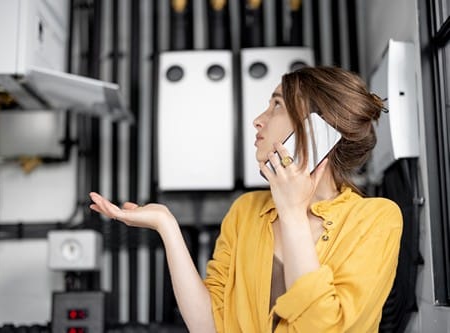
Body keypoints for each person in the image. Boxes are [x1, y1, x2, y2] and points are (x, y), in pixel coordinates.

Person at [89, 66, 403, 332]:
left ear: (318, 126)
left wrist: (292, 211)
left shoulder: (376, 219)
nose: (258, 119)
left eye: (277, 105)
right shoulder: (246, 210)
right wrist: (166, 226)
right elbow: (209, 325)